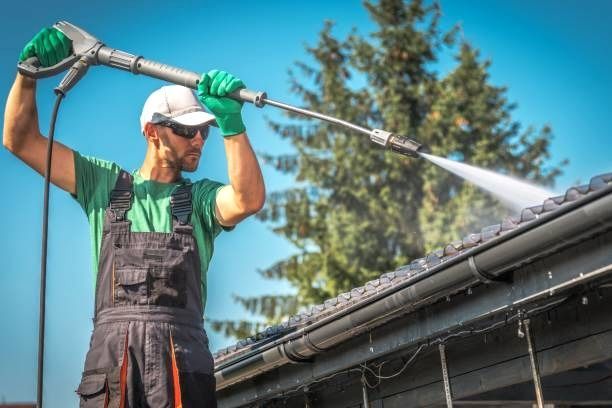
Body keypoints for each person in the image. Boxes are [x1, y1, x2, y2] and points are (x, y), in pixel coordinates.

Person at [3, 27, 265, 407]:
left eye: (204, 132)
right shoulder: (103, 184)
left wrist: (232, 126)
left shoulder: (200, 200)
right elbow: (21, 140)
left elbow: (247, 199)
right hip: (115, 363)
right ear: (151, 131)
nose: (198, 141)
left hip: (182, 362)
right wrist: (27, 75)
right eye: (186, 130)